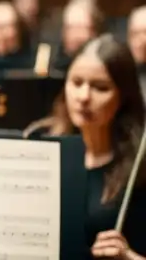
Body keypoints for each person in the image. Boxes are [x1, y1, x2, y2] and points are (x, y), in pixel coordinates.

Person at [25, 35, 146, 258]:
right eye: (76, 82)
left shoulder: (141, 164)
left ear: (124, 97)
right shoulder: (39, 141)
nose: (83, 97)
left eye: (100, 87)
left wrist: (128, 257)